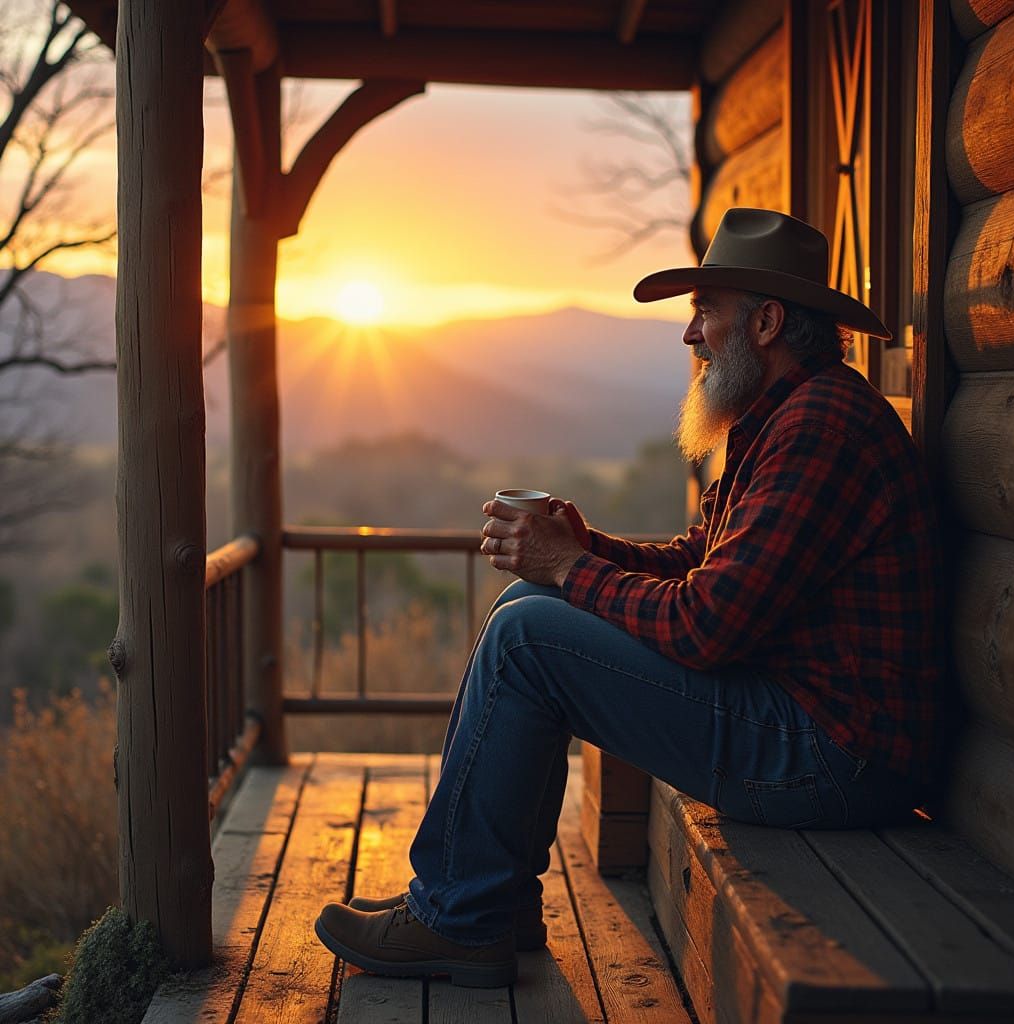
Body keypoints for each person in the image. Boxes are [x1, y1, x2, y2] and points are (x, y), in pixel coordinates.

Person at [313, 207, 945, 988]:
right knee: (525, 612)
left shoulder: (821, 428)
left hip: (837, 757)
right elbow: (696, 562)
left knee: (530, 637)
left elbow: (706, 625)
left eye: (705, 312)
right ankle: (484, 901)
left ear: (769, 322)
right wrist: (586, 546)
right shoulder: (782, 419)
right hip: (804, 723)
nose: (691, 335)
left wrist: (570, 569)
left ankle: (462, 917)